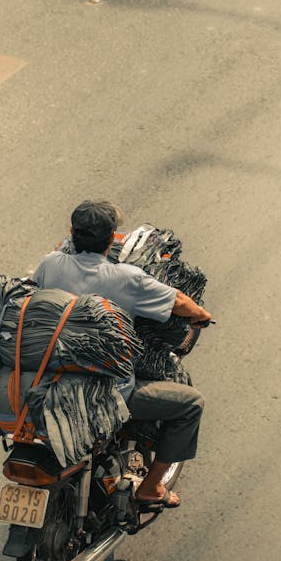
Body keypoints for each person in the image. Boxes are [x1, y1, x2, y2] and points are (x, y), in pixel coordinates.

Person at [33, 200, 212, 508]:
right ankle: (151, 487)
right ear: (113, 238)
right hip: (108, 392)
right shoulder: (127, 277)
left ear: (72, 233)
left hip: (50, 379)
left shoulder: (51, 264)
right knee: (191, 405)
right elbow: (179, 302)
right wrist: (201, 315)